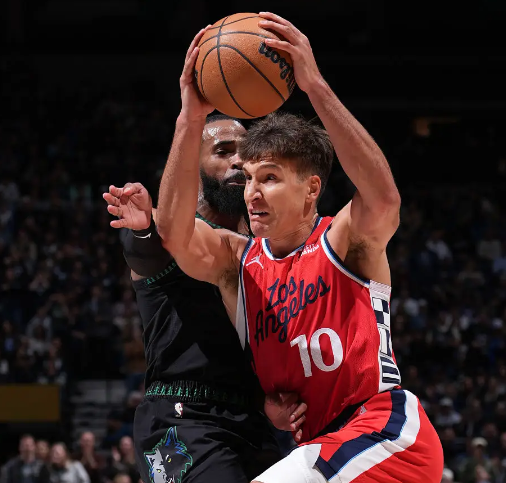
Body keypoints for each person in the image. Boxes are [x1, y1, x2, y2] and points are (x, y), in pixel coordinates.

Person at [153, 11, 443, 483]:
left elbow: (383, 197)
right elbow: (172, 232)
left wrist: (314, 85)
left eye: (269, 178)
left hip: (383, 433)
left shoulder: (344, 241)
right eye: (249, 178)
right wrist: (190, 118)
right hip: (320, 448)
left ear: (311, 189)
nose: (252, 193)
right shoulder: (238, 263)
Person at [102, 112, 306, 483]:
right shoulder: (170, 234)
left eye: (246, 154)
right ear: (192, 170)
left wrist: (272, 399)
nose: (238, 161)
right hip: (180, 417)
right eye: (223, 152)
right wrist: (144, 228)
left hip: (252, 422)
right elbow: (145, 248)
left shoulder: (267, 248)